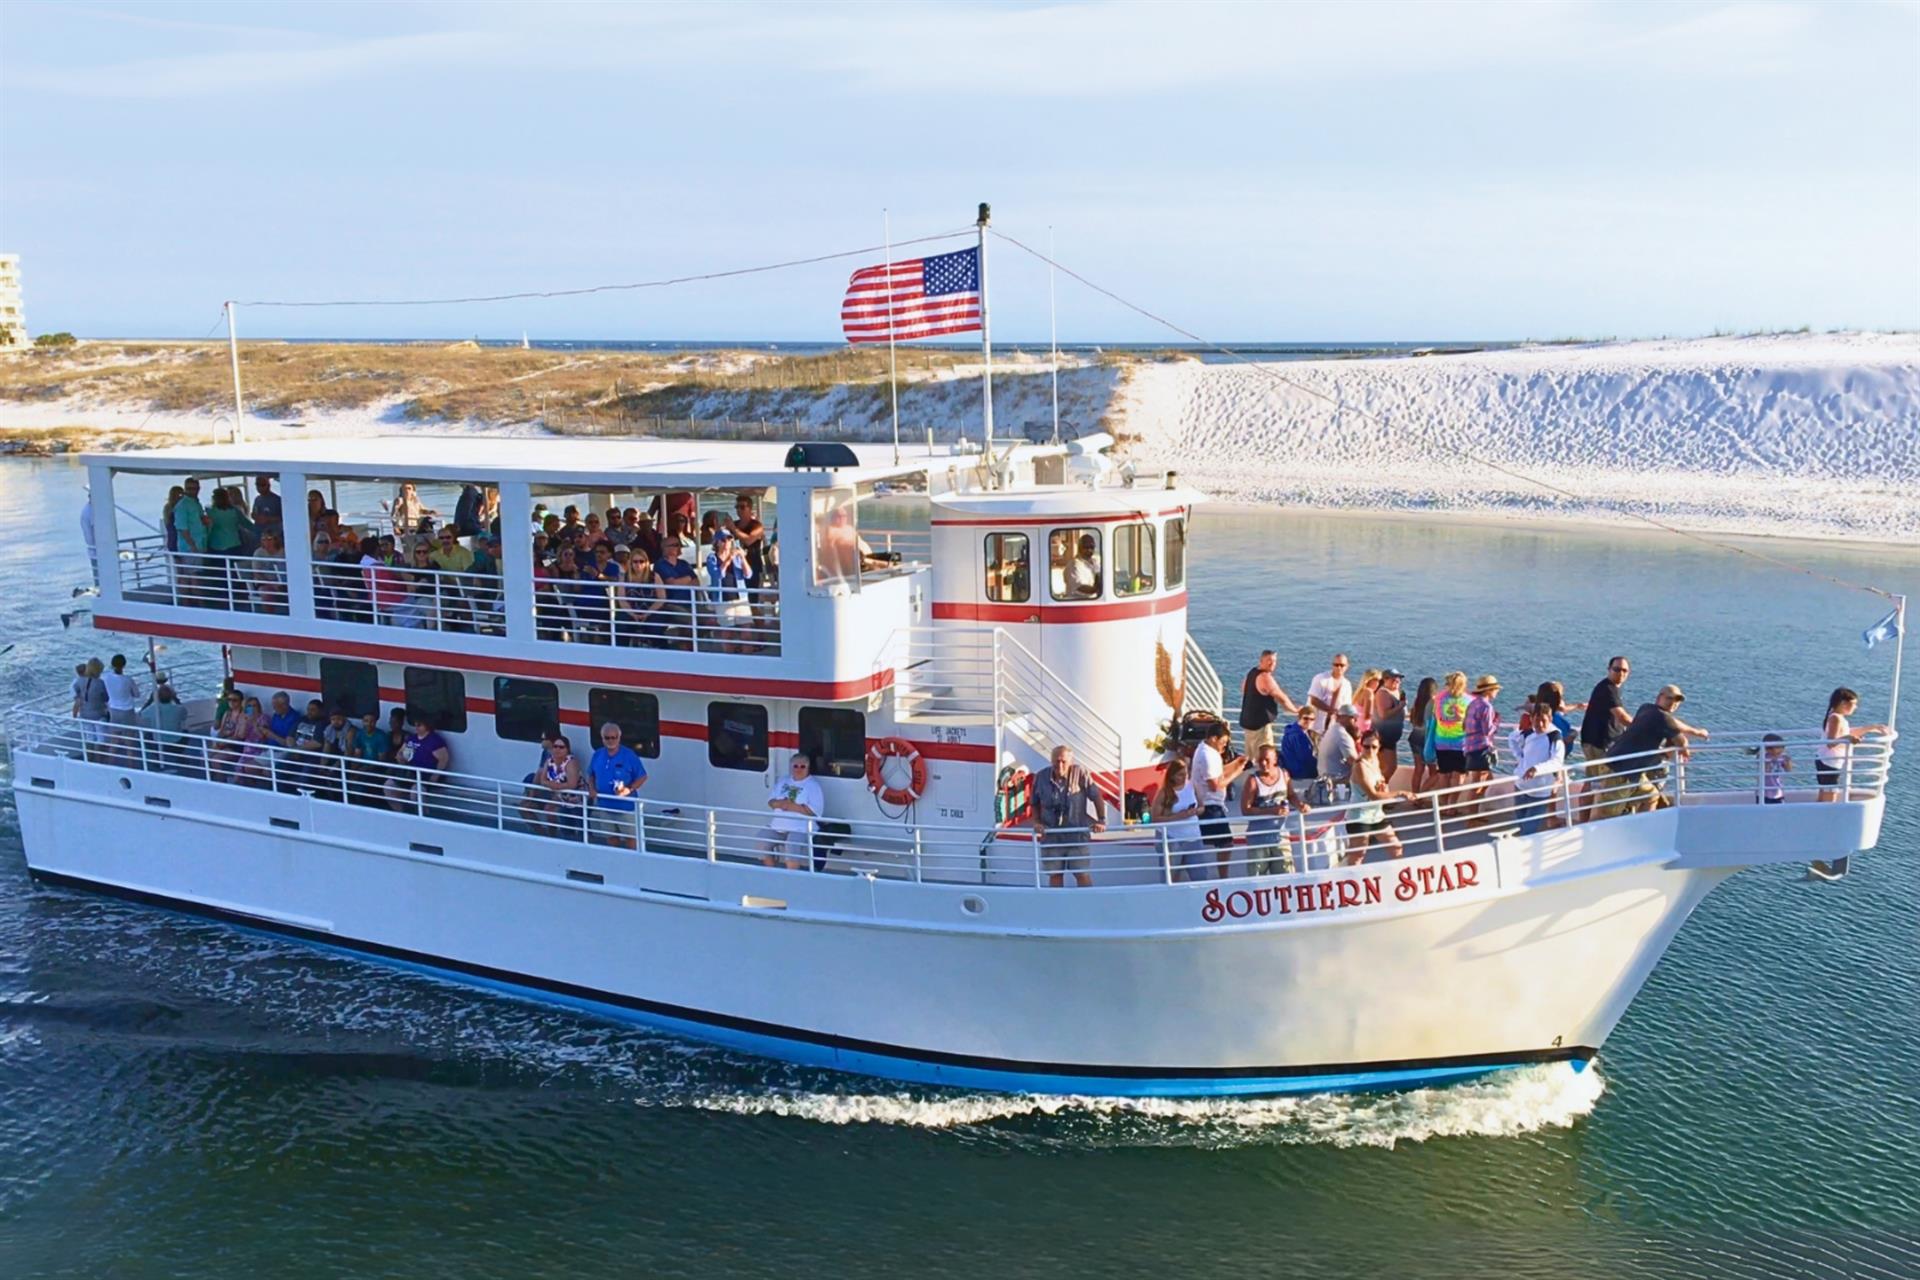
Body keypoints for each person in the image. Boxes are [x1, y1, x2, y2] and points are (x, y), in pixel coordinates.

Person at [1602, 685, 1710, 817]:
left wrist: (1696, 732)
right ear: (1659, 697)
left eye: (1677, 701)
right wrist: (1685, 751)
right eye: (1670, 698)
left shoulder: (1646, 708)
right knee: (1608, 813)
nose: (1674, 703)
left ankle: (1641, 827)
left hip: (1624, 766)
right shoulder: (1664, 718)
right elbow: (1682, 743)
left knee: (1651, 796)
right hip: (1623, 771)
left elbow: (1674, 723)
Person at [1030, 745, 1108, 888]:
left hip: (1076, 835)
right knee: (1055, 875)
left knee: (1081, 873)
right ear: (1051, 760)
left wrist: (1101, 820)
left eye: (1063, 761)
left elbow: (1096, 797)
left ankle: (1088, 906)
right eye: (1056, 761)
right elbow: (1034, 803)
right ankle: (1057, 907)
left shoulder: (1081, 773)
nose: (1059, 765)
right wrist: (1037, 822)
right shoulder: (1041, 777)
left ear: (1070, 761)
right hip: (1051, 836)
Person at [1578, 656, 1634, 821]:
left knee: (1593, 781)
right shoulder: (1608, 689)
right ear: (1609, 670)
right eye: (1617, 669)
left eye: (1624, 670)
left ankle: (1584, 821)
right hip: (1599, 743)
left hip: (1596, 741)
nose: (1621, 673)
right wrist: (1641, 728)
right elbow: (1622, 717)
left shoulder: (1610, 688)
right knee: (1601, 783)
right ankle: (1587, 822)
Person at [1346, 729, 1411, 863]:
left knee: (1395, 846)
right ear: (1361, 745)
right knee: (1358, 855)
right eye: (1366, 747)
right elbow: (1373, 795)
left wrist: (1384, 788)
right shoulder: (1360, 766)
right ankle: (1349, 881)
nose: (1370, 750)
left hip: (1375, 813)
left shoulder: (1375, 761)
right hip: (1359, 816)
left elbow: (1380, 786)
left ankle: (1395, 875)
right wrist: (1400, 793)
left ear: (1379, 747)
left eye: (1374, 747)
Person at [1191, 724, 1247, 880]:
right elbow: (1215, 785)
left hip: (1210, 803)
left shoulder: (1206, 750)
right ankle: (1223, 876)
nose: (1224, 745)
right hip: (1211, 805)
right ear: (1213, 739)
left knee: (1212, 841)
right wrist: (1237, 772)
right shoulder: (1207, 755)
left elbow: (1218, 771)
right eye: (1222, 742)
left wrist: (1236, 763)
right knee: (1226, 843)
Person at [1240, 743, 1305, 876]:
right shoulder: (1253, 781)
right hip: (1258, 839)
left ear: (1275, 760)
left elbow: (1291, 794)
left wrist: (1300, 805)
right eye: (1260, 760)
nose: (1263, 763)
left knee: (1286, 874)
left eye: (1267, 760)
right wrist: (1272, 811)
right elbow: (1245, 809)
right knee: (1257, 877)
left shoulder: (1284, 775)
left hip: (1280, 836)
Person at [1817, 687, 1886, 803]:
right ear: (1843, 703)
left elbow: (1846, 733)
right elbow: (1830, 743)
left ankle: (1820, 815)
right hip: (1828, 761)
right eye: (1853, 704)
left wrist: (1871, 728)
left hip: (1828, 761)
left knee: (1826, 790)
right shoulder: (1835, 718)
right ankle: (1826, 816)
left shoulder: (1836, 716)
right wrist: (1848, 738)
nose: (1855, 707)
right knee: (1830, 794)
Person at [759, 753, 825, 871]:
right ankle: (771, 872)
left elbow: (815, 811)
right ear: (791, 767)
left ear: (808, 768)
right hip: (778, 826)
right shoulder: (783, 781)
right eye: (796, 766)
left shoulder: (813, 786)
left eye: (802, 766)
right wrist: (781, 804)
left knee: (792, 845)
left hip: (801, 828)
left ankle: (791, 877)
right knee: (762, 840)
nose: (798, 769)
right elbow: (771, 802)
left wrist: (791, 806)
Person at [587, 721, 647, 847]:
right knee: (611, 837)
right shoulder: (597, 754)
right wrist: (591, 789)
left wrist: (628, 790)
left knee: (631, 838)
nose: (610, 740)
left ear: (619, 737)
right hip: (604, 805)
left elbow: (642, 777)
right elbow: (591, 774)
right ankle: (615, 862)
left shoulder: (629, 755)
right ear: (602, 738)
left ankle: (632, 862)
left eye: (613, 737)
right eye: (607, 738)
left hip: (625, 807)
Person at [1509, 703, 1566, 835]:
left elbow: (1557, 762)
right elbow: (1512, 738)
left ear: (1550, 719)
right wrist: (1520, 758)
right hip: (1520, 787)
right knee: (1520, 826)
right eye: (1536, 720)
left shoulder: (1554, 738)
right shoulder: (1528, 734)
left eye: (1544, 721)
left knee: (1528, 830)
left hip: (1540, 792)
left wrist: (1536, 769)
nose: (1540, 724)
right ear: (1531, 719)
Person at [1149, 759, 1208, 882]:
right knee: (1172, 876)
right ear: (1172, 775)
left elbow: (1202, 806)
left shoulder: (1192, 785)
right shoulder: (1164, 792)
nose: (1184, 777)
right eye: (1180, 775)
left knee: (1200, 875)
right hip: (1172, 838)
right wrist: (1179, 816)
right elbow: (1155, 819)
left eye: (1185, 774)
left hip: (1193, 836)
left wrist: (1197, 811)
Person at [1238, 651, 1299, 758]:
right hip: (1260, 727)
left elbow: (1243, 689)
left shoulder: (1252, 673)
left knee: (1250, 758)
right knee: (1264, 757)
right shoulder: (1265, 677)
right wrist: (1295, 710)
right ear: (1261, 661)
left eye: (1274, 661)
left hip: (1248, 724)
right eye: (1269, 660)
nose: (1272, 663)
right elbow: (1281, 698)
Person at [523, 733, 585, 838]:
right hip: (559, 794)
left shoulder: (571, 763)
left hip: (575, 797)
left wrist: (554, 785)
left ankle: (559, 835)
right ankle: (547, 835)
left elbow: (572, 785)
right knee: (534, 808)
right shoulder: (550, 761)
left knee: (551, 809)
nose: (557, 749)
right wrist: (555, 786)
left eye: (561, 747)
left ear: (567, 749)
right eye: (555, 747)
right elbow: (542, 780)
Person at [386, 714, 451, 812]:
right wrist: (400, 757)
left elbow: (444, 759)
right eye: (415, 725)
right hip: (409, 774)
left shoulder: (435, 740)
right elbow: (401, 752)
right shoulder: (412, 738)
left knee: (415, 792)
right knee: (388, 786)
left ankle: (423, 814)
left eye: (419, 725)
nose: (416, 727)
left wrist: (435, 776)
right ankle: (400, 812)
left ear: (427, 726)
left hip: (424, 776)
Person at [1462, 674, 1503, 826]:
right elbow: (1488, 730)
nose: (1496, 692)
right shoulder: (1486, 707)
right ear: (1489, 691)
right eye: (1495, 689)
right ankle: (1471, 817)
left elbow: (1465, 725)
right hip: (1481, 747)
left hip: (1471, 746)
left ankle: (1473, 814)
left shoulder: (1473, 704)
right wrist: (1496, 722)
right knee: (1478, 783)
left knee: (1483, 781)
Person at [1429, 671, 1471, 797]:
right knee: (1458, 775)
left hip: (1441, 741)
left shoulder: (1439, 698)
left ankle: (1443, 805)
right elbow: (1470, 721)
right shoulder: (1468, 700)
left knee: (1444, 774)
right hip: (1461, 742)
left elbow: (1437, 717)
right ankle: (1451, 807)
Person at [138, 682, 190, 775]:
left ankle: (158, 757)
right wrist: (176, 699)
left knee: (147, 736)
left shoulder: (153, 709)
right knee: (186, 732)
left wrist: (150, 701)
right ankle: (179, 755)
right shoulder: (178, 709)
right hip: (176, 743)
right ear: (171, 697)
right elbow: (184, 714)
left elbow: (141, 714)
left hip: (158, 743)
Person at [1315, 703, 1361, 804]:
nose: (1356, 720)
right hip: (1336, 780)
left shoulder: (1332, 729)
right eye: (1353, 718)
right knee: (1363, 772)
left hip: (1324, 775)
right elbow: (1356, 764)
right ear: (1343, 718)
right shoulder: (1342, 736)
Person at [171, 476, 207, 600]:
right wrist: (192, 546)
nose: (193, 491)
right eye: (190, 488)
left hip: (199, 543)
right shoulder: (182, 505)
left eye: (195, 488)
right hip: (189, 547)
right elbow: (182, 528)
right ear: (185, 489)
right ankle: (190, 604)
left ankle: (196, 603)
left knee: (195, 575)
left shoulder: (196, 503)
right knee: (191, 576)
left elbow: (200, 520)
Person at [70, 657, 110, 757]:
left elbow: (77, 695)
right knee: (101, 739)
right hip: (98, 714)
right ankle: (99, 760)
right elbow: (105, 698)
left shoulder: (79, 681)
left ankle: (89, 759)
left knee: (89, 738)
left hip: (84, 714)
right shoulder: (100, 683)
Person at [1307, 654, 1353, 736]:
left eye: (1342, 665)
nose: (1339, 667)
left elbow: (1346, 707)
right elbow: (1313, 700)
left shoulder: (1347, 685)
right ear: (1332, 665)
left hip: (1333, 729)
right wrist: (1331, 710)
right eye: (1336, 665)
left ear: (1347, 666)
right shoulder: (1320, 679)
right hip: (1314, 726)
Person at [1373, 669, 1406, 783]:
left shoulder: (1395, 693)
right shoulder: (1383, 693)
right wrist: (1400, 706)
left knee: (1385, 767)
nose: (1397, 681)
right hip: (1384, 737)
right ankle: (1378, 789)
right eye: (1393, 679)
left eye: (1399, 679)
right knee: (1390, 767)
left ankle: (1379, 790)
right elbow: (1384, 714)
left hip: (1391, 738)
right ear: (1385, 679)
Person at [1407, 676, 1438, 795]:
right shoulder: (1434, 703)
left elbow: (1412, 719)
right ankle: (1424, 795)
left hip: (1414, 737)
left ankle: (1415, 795)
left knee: (1418, 770)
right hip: (1427, 739)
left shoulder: (1417, 702)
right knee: (1434, 771)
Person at [1279, 702, 1318, 785]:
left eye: (1312, 719)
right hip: (1299, 773)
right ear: (1299, 718)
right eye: (1306, 718)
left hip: (1290, 767)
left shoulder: (1291, 730)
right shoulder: (1299, 736)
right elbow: (1305, 758)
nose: (1309, 721)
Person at [1760, 733, 1792, 805]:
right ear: (1768, 749)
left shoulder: (1782, 757)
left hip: (1778, 791)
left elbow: (1789, 770)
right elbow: (1764, 771)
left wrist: (1788, 762)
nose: (1777, 751)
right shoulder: (1764, 757)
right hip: (1765, 792)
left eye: (1781, 747)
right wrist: (1771, 761)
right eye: (1774, 748)